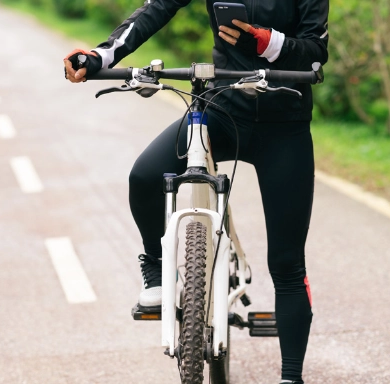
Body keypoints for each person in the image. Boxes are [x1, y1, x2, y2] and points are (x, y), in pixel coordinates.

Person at [64, 1, 328, 382]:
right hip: (221, 110)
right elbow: (157, 8)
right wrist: (101, 54)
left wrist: (266, 42)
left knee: (287, 265)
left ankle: (291, 377)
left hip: (285, 126)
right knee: (144, 176)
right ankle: (156, 270)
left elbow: (316, 51)